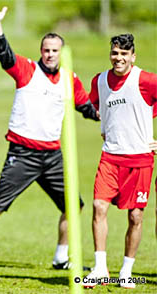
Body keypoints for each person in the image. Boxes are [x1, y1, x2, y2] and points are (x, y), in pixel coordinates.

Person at [0, 0, 100, 270]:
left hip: (52, 156)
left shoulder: (69, 78)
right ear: (41, 51)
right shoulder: (28, 70)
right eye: (46, 50)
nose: (50, 54)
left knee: (73, 206)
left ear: (62, 53)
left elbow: (86, 108)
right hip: (23, 154)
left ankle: (61, 257)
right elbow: (4, 54)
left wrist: (108, 114)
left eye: (55, 51)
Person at [83, 33, 157, 289]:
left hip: (140, 160)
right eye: (115, 53)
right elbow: (95, 108)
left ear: (133, 57)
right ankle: (100, 268)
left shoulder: (146, 80)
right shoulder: (100, 80)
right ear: (110, 54)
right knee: (98, 207)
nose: (119, 58)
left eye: (124, 54)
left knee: (136, 217)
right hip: (110, 157)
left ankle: (126, 271)